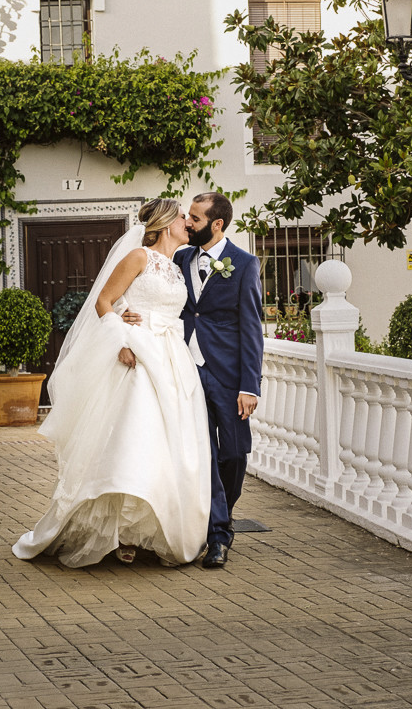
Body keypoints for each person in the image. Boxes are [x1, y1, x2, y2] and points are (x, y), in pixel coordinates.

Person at [12, 199, 210, 568]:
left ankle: (147, 531)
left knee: (164, 447)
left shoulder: (178, 267)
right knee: (129, 442)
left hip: (172, 359)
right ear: (166, 224)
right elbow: (104, 300)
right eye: (183, 217)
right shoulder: (138, 257)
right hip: (137, 356)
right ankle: (117, 532)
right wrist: (121, 337)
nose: (189, 222)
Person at [175, 192, 264, 569]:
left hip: (228, 375)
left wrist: (250, 386)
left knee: (232, 452)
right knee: (203, 454)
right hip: (184, 368)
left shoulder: (244, 264)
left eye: (194, 218)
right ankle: (218, 534)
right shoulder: (180, 258)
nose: (187, 223)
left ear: (217, 224)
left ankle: (221, 514)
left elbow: (252, 329)